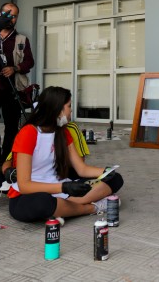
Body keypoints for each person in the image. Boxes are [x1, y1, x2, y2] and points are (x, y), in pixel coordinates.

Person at [7, 87, 123, 223]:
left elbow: (82, 169)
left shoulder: (62, 131)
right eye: (69, 106)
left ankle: (66, 206)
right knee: (42, 203)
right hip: (30, 194)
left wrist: (105, 172)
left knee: (116, 178)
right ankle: (91, 208)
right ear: (58, 109)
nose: (71, 110)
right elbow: (25, 185)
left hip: (58, 186)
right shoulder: (29, 133)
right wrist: (63, 188)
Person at [0, 2, 34, 167]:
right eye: (7, 14)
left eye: (14, 15)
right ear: (0, 14)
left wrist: (15, 68)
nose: (10, 18)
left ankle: (7, 156)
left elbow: (29, 61)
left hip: (12, 88)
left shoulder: (21, 39)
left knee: (11, 124)